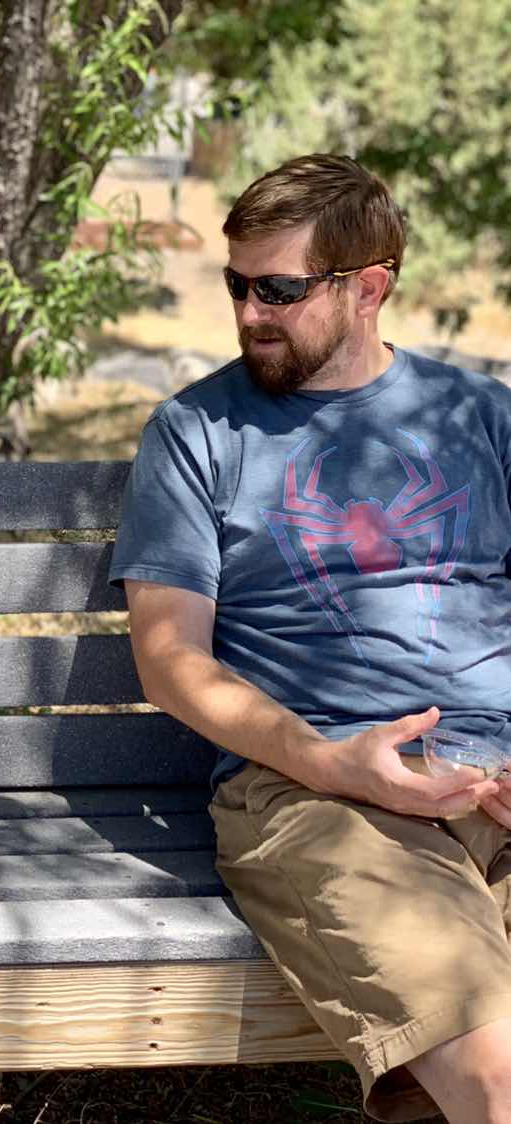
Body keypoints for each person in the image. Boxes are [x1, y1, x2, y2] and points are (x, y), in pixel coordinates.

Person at [112, 153, 511, 1123]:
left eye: (280, 290)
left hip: (496, 775)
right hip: (320, 792)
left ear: (368, 287)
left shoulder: (482, 417)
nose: (250, 312)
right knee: (498, 1071)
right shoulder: (198, 432)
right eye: (237, 285)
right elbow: (169, 659)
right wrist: (332, 763)